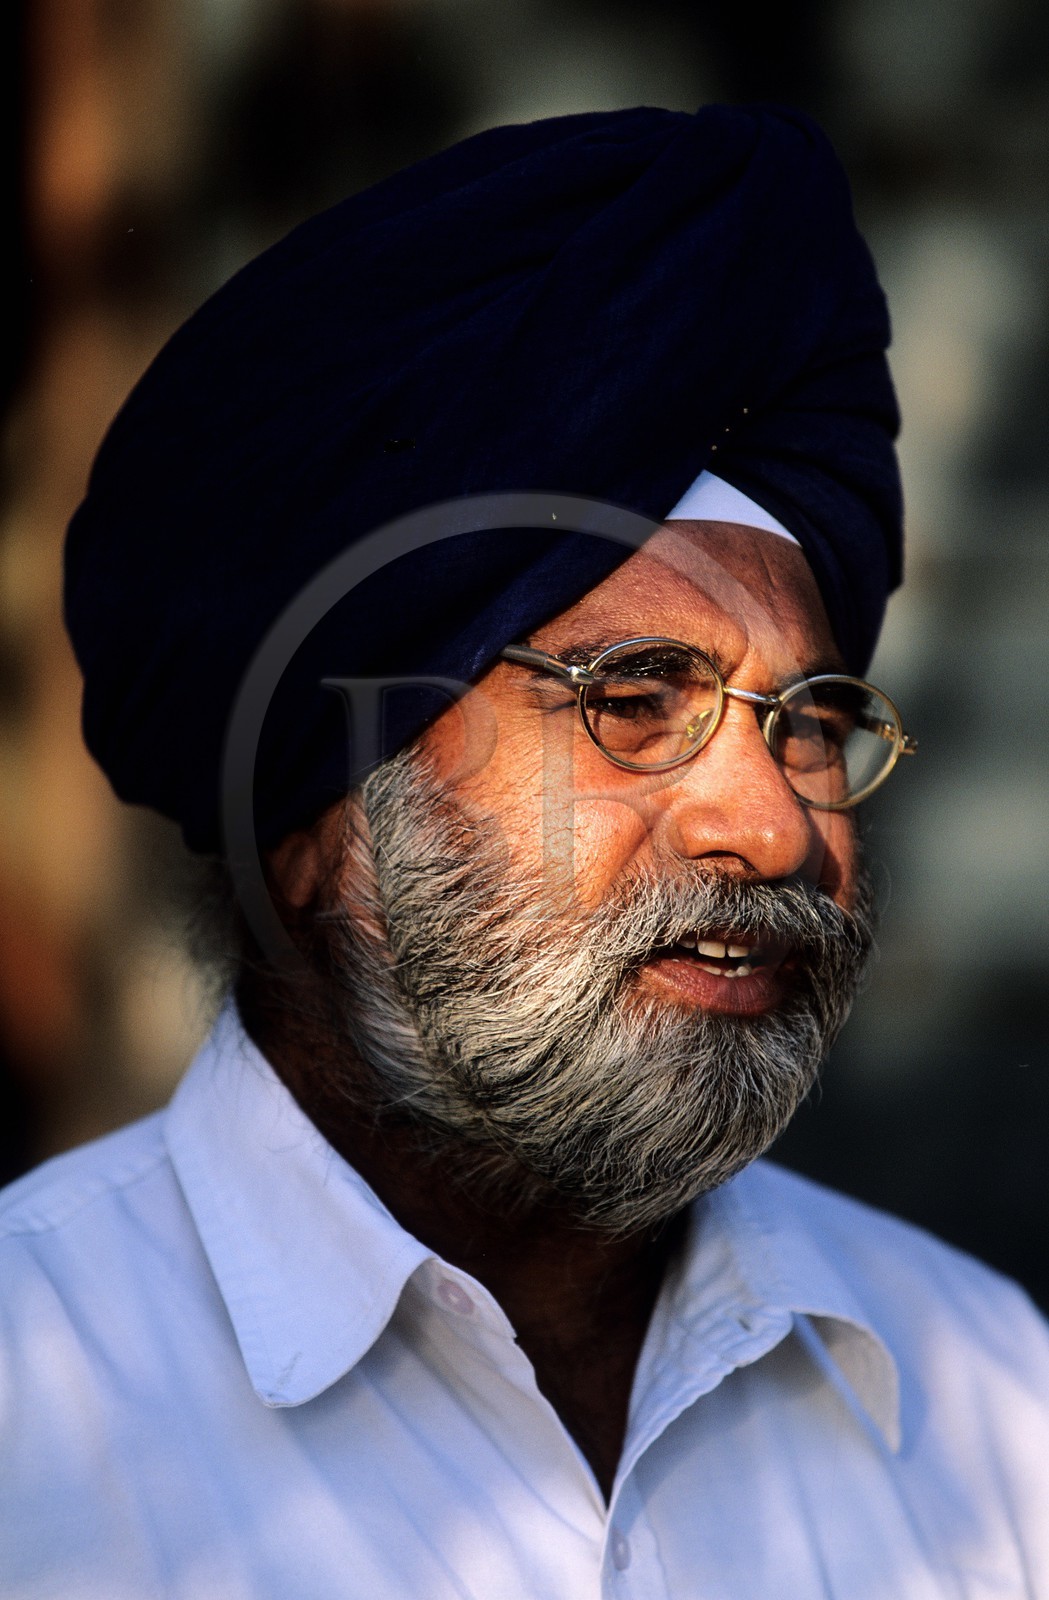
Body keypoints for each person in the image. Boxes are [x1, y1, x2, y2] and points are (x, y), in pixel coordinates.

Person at [4, 105, 1049, 1599]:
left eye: (809, 721)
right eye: (631, 699)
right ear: (309, 835)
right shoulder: (34, 1420)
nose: (766, 826)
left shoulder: (986, 1399)